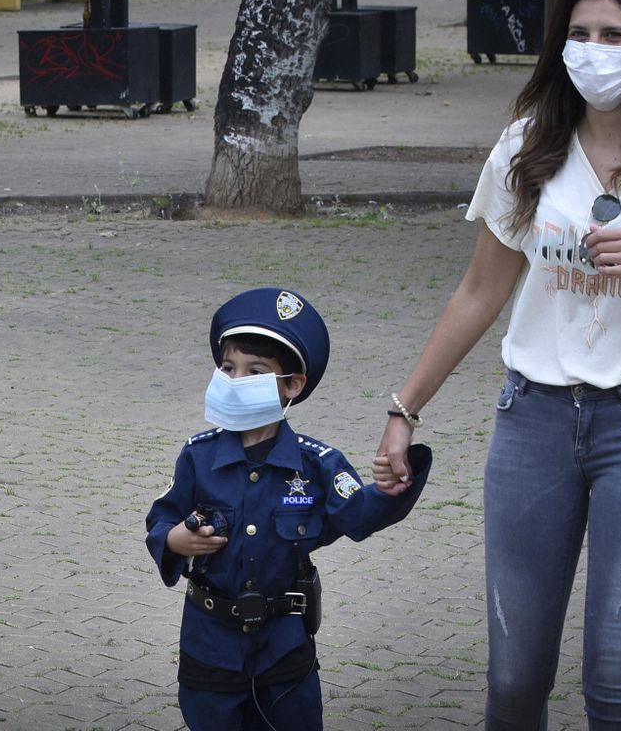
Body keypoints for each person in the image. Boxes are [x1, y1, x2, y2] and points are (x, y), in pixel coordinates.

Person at [371, 0, 621, 730]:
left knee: (615, 683)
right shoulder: (529, 144)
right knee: (515, 678)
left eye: (613, 34)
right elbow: (479, 292)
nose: (593, 49)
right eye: (578, 35)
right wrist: (403, 408)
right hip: (532, 424)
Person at [147, 288, 432, 731]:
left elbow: (356, 515)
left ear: (293, 385)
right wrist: (174, 540)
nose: (234, 379)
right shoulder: (197, 456)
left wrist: (394, 486)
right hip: (210, 647)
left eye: (254, 371)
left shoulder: (317, 463)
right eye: (227, 368)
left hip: (283, 651)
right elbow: (161, 518)